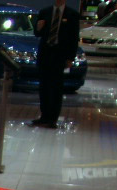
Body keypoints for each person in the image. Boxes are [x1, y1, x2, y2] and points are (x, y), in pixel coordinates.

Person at [30, 0, 80, 129]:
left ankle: (53, 118)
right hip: (45, 54)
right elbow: (37, 33)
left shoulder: (72, 14)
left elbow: (74, 37)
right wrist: (39, 27)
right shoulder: (45, 12)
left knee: (56, 87)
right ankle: (44, 116)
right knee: (44, 87)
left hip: (60, 56)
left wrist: (70, 58)